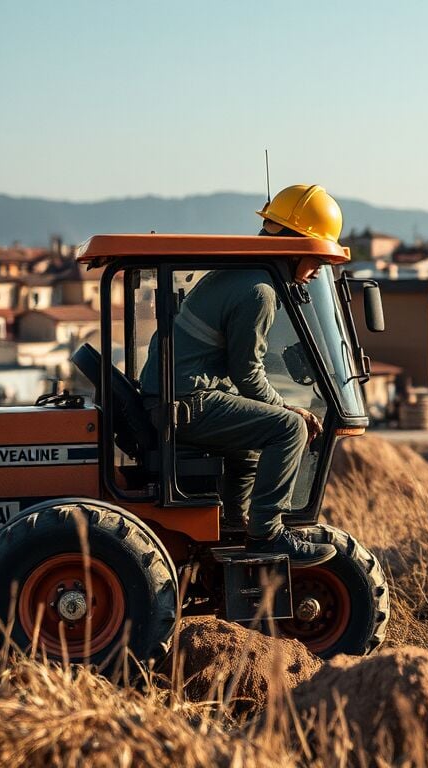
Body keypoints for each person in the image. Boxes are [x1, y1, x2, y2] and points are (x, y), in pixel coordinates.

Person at [140, 184, 343, 566]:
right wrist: (288, 409)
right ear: (295, 246)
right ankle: (268, 535)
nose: (317, 272)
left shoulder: (239, 274)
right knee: (287, 429)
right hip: (187, 403)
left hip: (176, 397)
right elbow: (247, 372)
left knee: (254, 436)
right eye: (316, 258)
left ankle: (236, 523)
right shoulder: (260, 291)